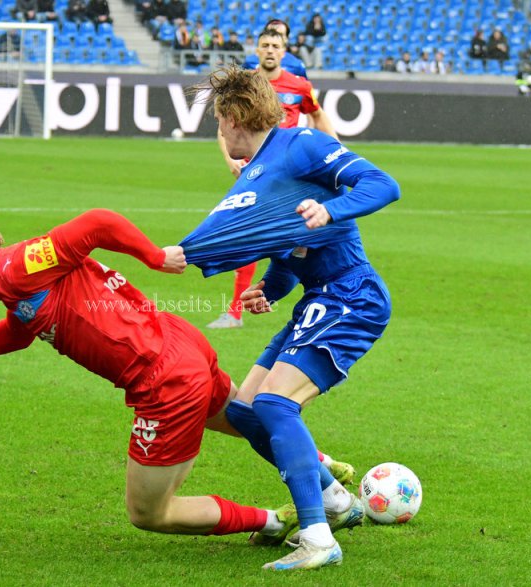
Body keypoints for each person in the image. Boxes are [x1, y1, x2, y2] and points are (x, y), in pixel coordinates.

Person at [0, 209, 305, 557]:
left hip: (162, 379)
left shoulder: (17, 267)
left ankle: (274, 519)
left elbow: (97, 223)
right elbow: (13, 334)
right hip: (178, 345)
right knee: (244, 423)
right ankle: (325, 481)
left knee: (148, 513)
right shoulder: (17, 286)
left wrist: (155, 257)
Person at [180, 65, 401, 570]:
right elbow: (291, 251)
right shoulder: (263, 169)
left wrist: (334, 211)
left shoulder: (300, 144)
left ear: (235, 116)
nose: (219, 133)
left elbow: (384, 184)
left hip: (351, 296)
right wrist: (271, 290)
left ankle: (319, 540)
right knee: (245, 411)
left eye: (219, 121)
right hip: (318, 300)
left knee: (277, 405)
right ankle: (336, 502)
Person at [208, 28, 337, 331]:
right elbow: (224, 125)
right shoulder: (245, 84)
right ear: (256, 49)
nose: (269, 50)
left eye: (275, 46)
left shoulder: (300, 86)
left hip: (289, 176)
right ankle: (237, 311)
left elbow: (317, 116)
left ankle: (312, 302)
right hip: (254, 173)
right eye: (264, 45)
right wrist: (232, 160)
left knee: (299, 239)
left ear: (284, 51)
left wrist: (336, 151)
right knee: (250, 236)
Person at [242, 19, 308, 77]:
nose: (274, 38)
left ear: (287, 39)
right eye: (271, 33)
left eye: (280, 35)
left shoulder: (296, 65)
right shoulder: (250, 62)